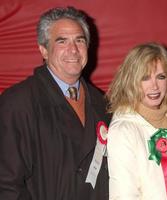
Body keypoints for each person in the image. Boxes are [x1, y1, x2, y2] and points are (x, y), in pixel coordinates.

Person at [0, 6, 110, 200]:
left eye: (80, 40)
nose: (73, 50)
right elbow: (6, 185)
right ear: (43, 49)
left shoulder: (103, 104)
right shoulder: (17, 103)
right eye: (62, 41)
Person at [106, 42, 167, 200]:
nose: (155, 86)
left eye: (161, 77)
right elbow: (123, 196)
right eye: (145, 78)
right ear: (131, 81)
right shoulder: (123, 130)